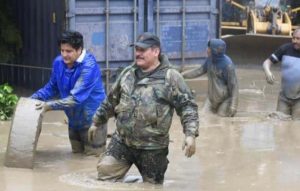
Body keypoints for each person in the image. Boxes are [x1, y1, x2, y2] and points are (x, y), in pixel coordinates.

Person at [88, 32, 199, 184]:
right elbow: (111, 100)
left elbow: (187, 107)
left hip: (152, 148)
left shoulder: (171, 77)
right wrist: (96, 121)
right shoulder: (127, 73)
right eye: (137, 49)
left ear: (156, 51)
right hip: (122, 142)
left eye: (142, 50)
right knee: (105, 175)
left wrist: (190, 135)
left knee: (152, 185)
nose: (138, 54)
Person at [30, 30, 107, 156]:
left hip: (93, 121)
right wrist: (32, 99)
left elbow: (76, 99)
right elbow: (51, 87)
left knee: (92, 160)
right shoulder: (59, 63)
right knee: (76, 156)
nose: (64, 55)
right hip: (73, 120)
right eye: (62, 50)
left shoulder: (89, 67)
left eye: (69, 51)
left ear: (79, 49)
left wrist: (48, 106)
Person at [182, 39, 238, 117]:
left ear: (214, 51)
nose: (207, 50)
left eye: (209, 48)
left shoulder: (228, 66)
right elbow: (199, 71)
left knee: (220, 118)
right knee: (202, 116)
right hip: (211, 99)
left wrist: (233, 106)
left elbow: (234, 86)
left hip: (225, 100)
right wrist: (182, 75)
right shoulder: (210, 60)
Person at [262, 28, 300, 120]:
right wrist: (267, 72)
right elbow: (266, 62)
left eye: (298, 38)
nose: (295, 41)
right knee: (280, 125)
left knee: (296, 127)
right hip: (284, 98)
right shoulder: (285, 49)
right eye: (293, 38)